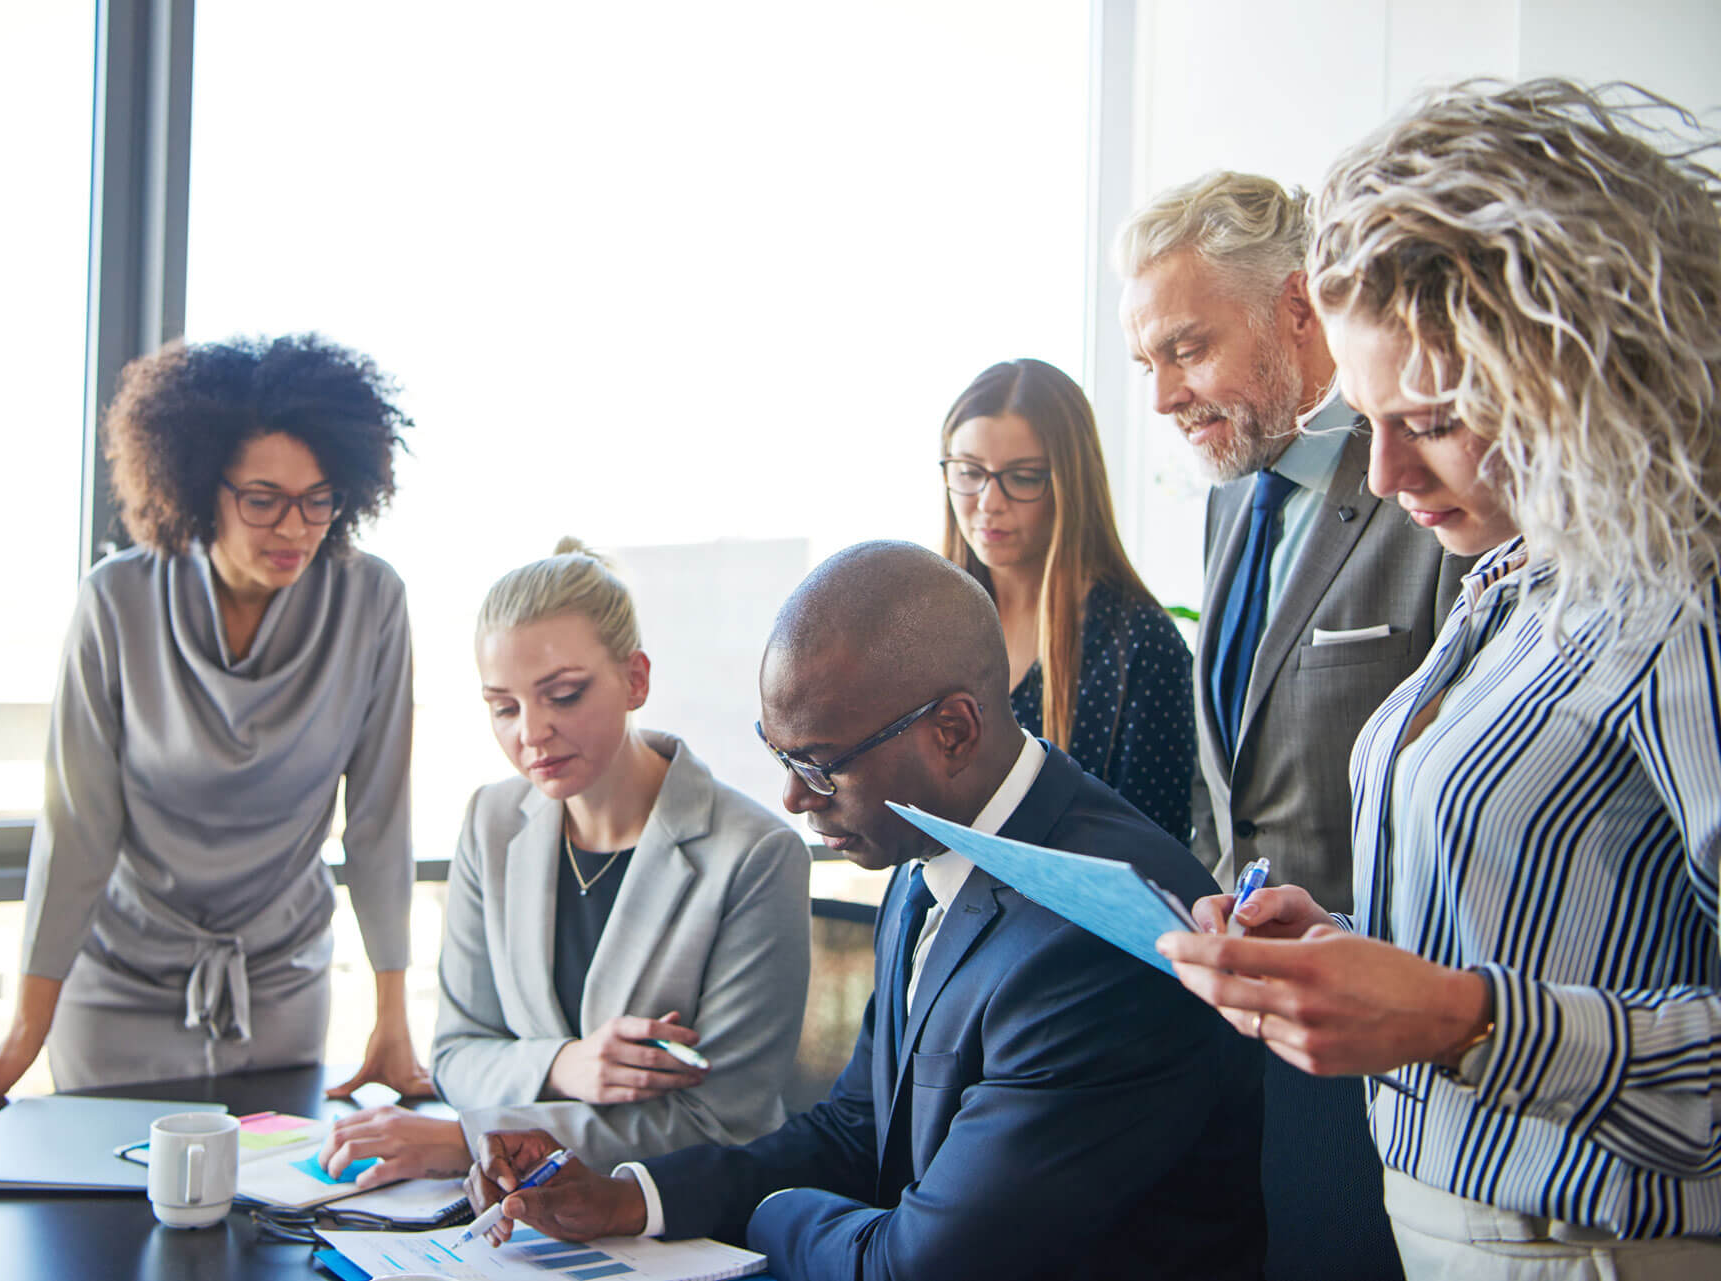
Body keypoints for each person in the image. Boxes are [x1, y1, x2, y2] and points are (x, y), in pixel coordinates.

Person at [1159, 80, 1721, 1277]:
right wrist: (1350, 947)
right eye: (1367, 418)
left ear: (1583, 365)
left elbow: (1493, 1003)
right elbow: (1536, 925)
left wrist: (1459, 1018)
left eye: (1435, 418)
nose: (1389, 471)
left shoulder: (1684, 599)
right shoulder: (1512, 576)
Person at [459, 542, 1266, 1281]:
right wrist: (630, 1197)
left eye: (819, 765)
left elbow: (919, 1265)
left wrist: (769, 1214)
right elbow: (855, 1129)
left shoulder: (1098, 934)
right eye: (779, 755)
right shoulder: (928, 854)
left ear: (952, 730)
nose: (792, 796)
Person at [0, 334, 427, 1115]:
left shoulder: (373, 603)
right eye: (262, 499)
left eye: (319, 498)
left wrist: (392, 1020)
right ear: (198, 486)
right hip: (120, 979)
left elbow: (378, 822)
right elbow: (77, 829)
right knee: (106, 1228)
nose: (294, 527)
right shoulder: (116, 601)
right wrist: (27, 1029)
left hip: (280, 980)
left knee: (269, 1220)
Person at [318, 540, 811, 1185]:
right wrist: (563, 1064)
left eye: (564, 695)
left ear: (636, 680)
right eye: (504, 706)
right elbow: (456, 1056)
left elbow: (721, 1122)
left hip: (674, 1223)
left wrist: (478, 1143)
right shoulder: (491, 823)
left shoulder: (753, 856)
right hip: (515, 1222)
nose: (530, 733)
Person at [1118, 170, 1471, 912]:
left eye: (1187, 349)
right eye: (1148, 364)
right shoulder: (1233, 491)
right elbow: (1231, 794)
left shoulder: (1435, 487)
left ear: (1299, 307)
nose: (1162, 398)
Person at [939, 357, 1194, 843]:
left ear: (1071, 484)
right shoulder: (927, 626)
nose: (989, 502)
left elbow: (1159, 861)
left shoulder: (1140, 646)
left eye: (1023, 477)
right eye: (969, 472)